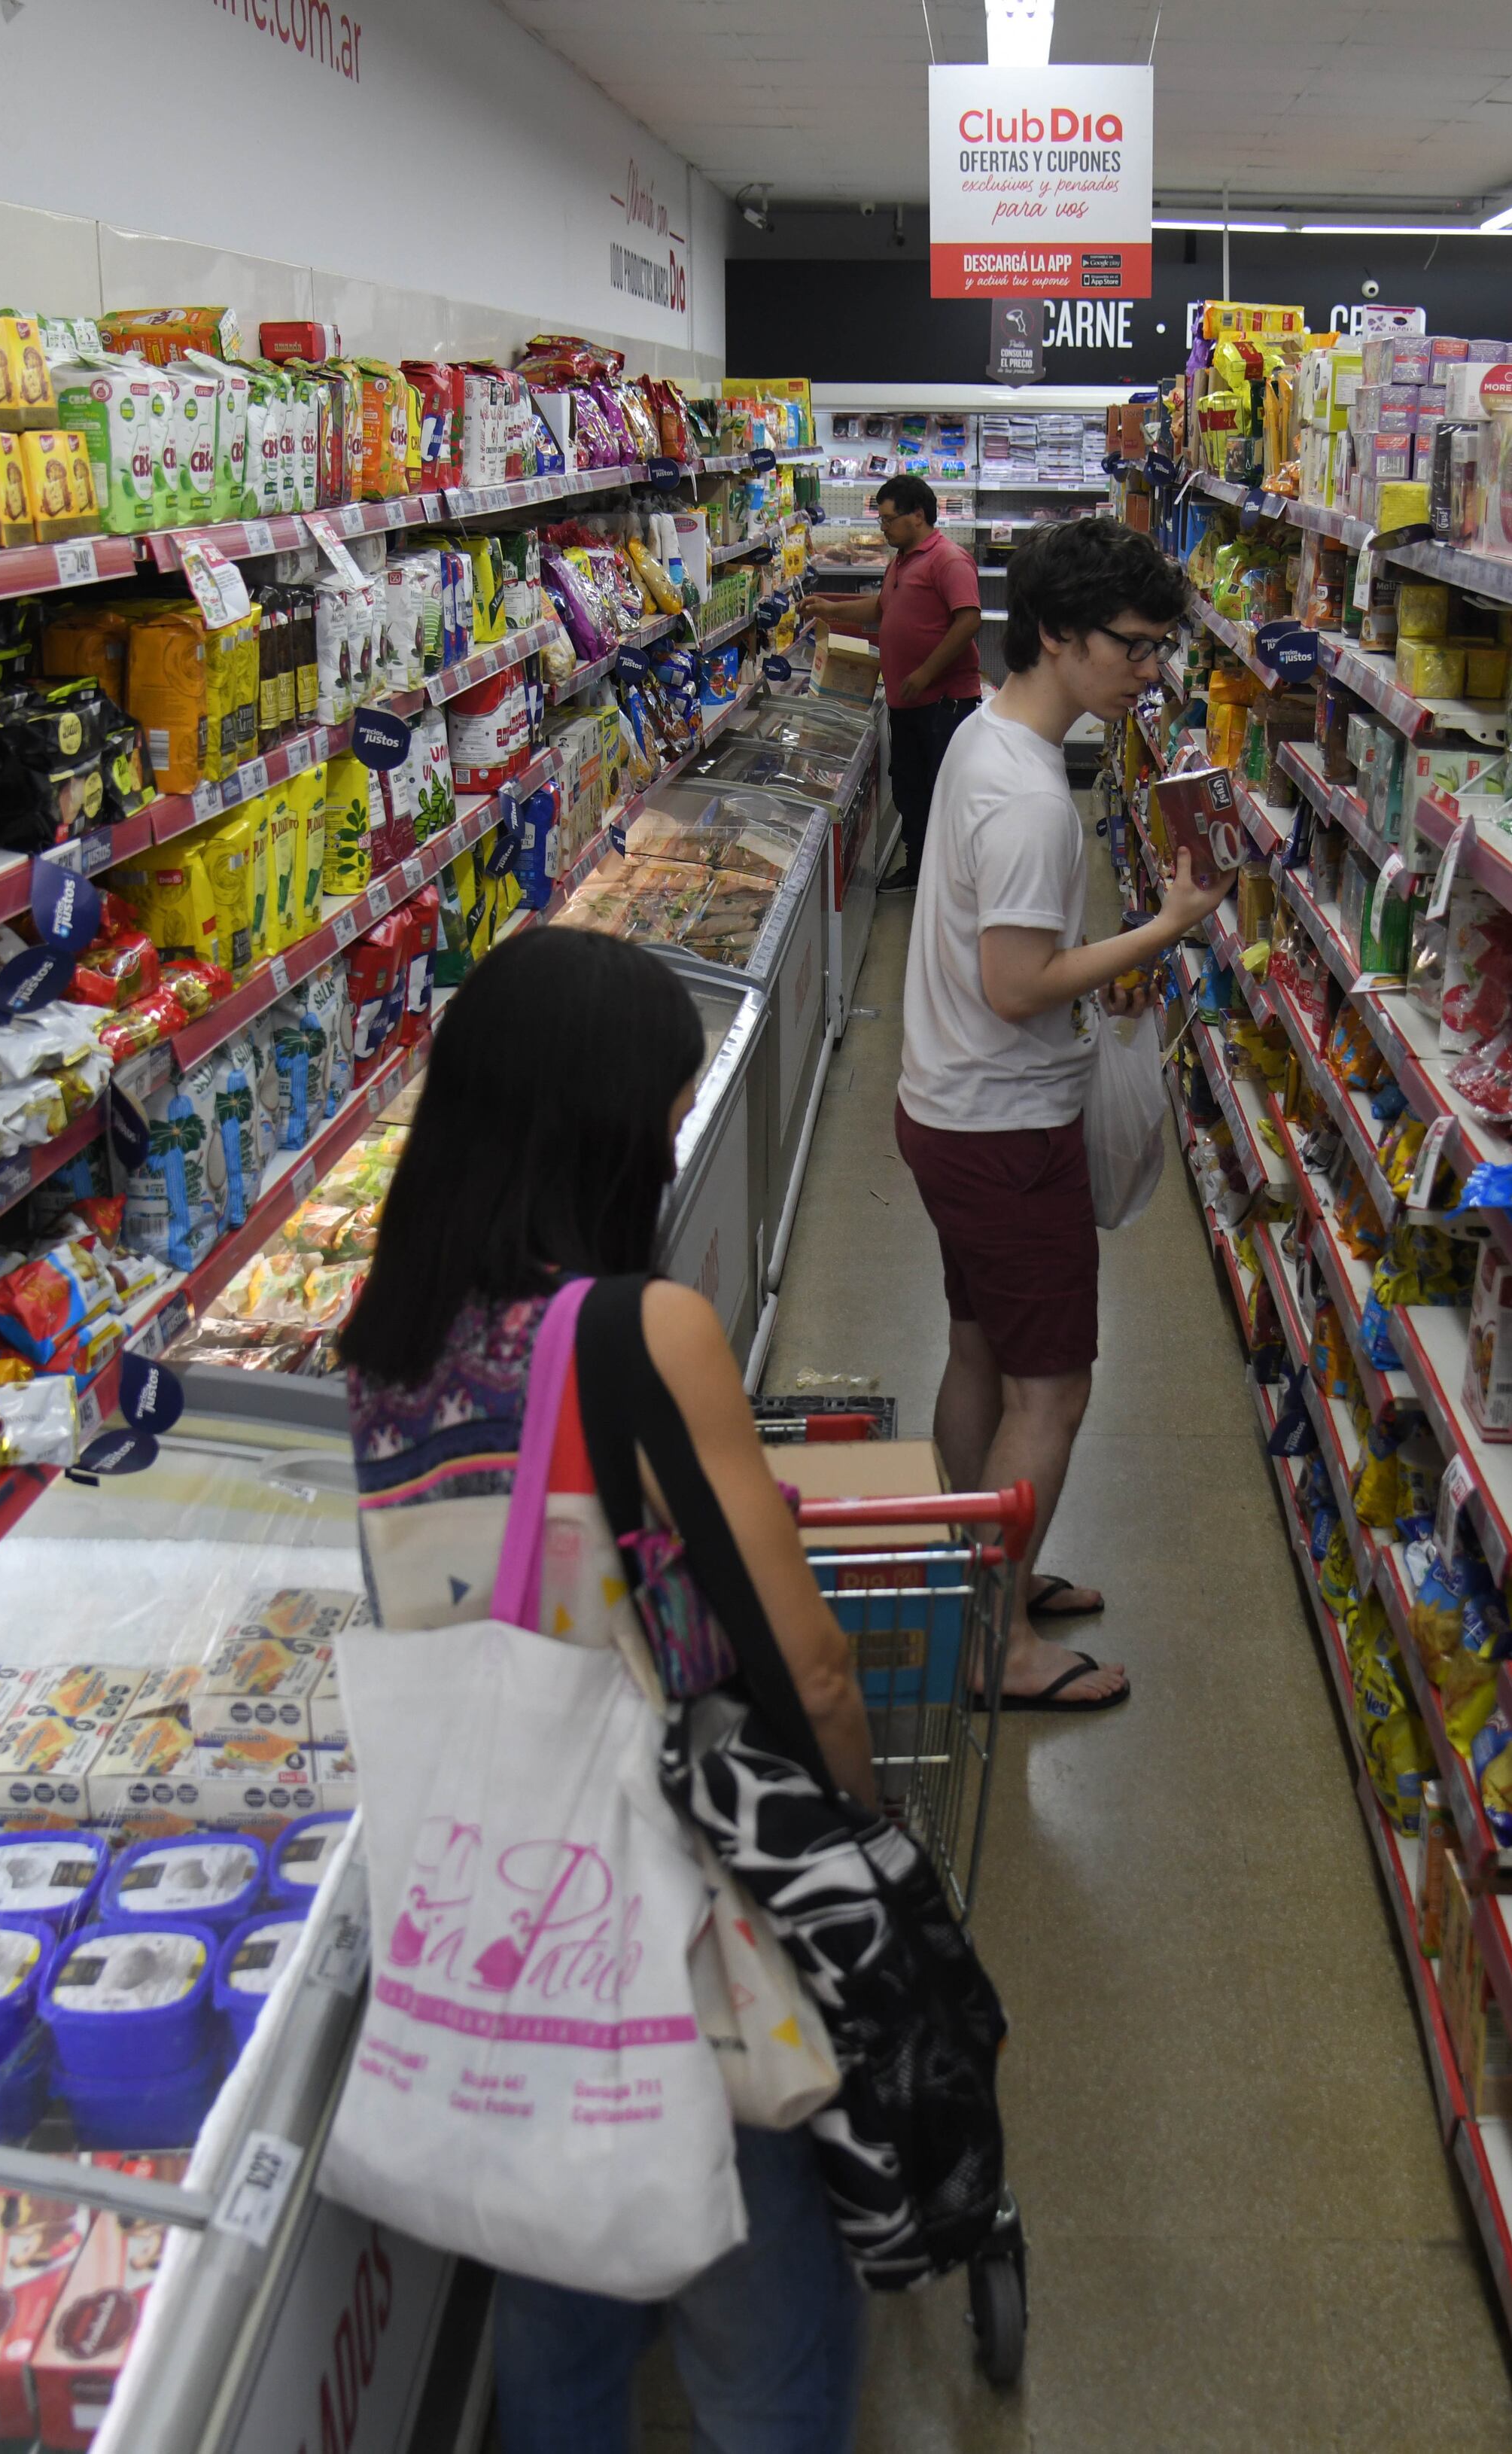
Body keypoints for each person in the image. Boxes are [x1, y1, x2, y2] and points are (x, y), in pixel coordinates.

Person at [339, 924, 880, 2454]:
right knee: (767, 2339)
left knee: (557, 2323)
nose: (663, 1137)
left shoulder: (383, 1338)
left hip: (502, 1903)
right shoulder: (644, 1332)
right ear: (596, 1126)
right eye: (656, 1105)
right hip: (680, 1897)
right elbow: (811, 1661)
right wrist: (866, 1839)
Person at [894, 516, 1222, 1715]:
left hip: (947, 1105)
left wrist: (1099, 955)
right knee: (1055, 1392)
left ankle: (980, 1574)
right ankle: (996, 1646)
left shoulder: (989, 744)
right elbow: (1018, 984)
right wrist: (1162, 931)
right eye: (1133, 649)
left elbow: (1009, 957)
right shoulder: (1031, 801)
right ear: (1054, 634)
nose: (1151, 673)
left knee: (981, 1348)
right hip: (1003, 1128)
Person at [806, 473, 982, 888]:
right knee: (910, 789)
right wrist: (831, 608)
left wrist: (925, 673)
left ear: (917, 515)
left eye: (887, 519)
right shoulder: (902, 560)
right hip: (909, 701)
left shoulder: (948, 560)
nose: (881, 528)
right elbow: (882, 609)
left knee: (943, 791)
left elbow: (969, 619)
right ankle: (921, 870)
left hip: (943, 703)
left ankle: (952, 881)